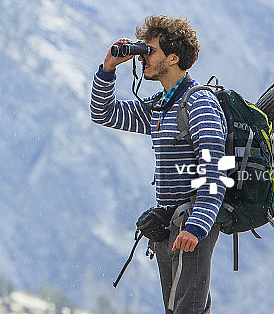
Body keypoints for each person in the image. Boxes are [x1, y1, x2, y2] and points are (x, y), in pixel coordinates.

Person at [90, 15, 227, 314]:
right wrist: (108, 69)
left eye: (149, 51)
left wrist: (198, 225)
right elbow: (104, 114)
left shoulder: (199, 102)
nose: (143, 58)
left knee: (187, 311)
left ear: (173, 57)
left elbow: (215, 166)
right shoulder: (161, 106)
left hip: (191, 223)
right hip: (169, 226)